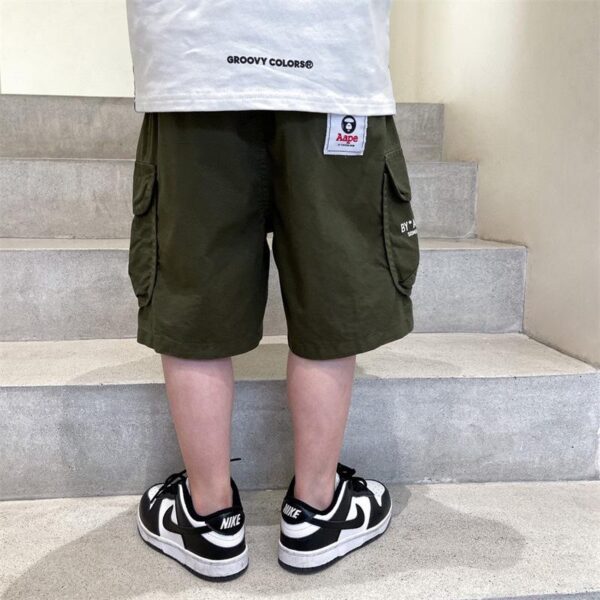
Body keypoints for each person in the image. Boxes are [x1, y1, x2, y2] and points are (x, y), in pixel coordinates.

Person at [125, 0, 420, 581]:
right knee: (332, 287)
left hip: (197, 58)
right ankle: (316, 508)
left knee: (194, 294)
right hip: (330, 58)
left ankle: (208, 515)